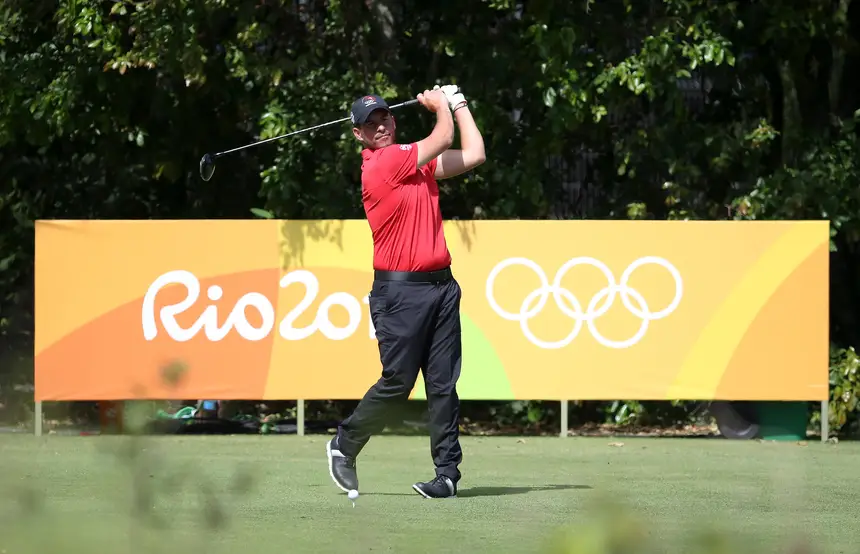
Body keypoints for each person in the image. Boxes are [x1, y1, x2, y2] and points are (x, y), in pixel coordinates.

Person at [326, 85, 485, 499]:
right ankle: (344, 444)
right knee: (398, 382)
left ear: (393, 121)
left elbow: (474, 155)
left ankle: (447, 474)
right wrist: (440, 105)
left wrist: (460, 103)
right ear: (358, 135)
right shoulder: (383, 164)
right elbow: (443, 138)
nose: (378, 126)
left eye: (383, 118)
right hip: (400, 295)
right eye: (368, 124)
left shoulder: (416, 165)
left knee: (443, 385)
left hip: (442, 287)